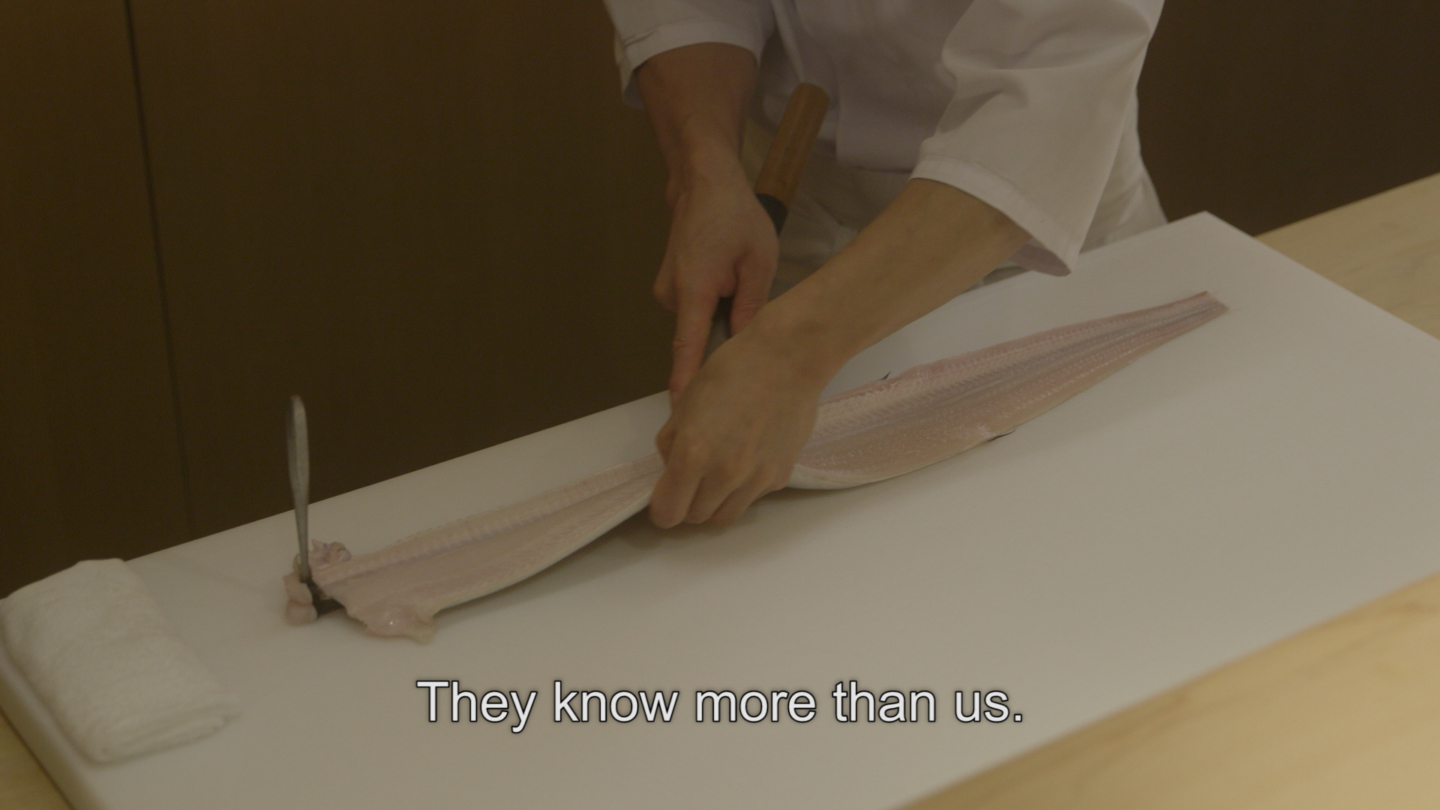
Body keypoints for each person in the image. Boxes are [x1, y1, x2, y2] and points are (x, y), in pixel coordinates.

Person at [603, 0, 1167, 528]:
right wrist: (705, 173)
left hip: (1037, 222)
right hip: (791, 203)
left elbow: (1050, 86)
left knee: (1076, 517)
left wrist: (790, 353)